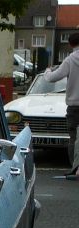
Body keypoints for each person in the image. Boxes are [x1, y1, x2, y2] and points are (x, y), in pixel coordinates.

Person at [44, 32, 79, 178]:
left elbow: (53, 78)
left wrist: (47, 71)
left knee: (73, 137)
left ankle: (75, 168)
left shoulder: (70, 60)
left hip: (74, 105)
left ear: (70, 44)